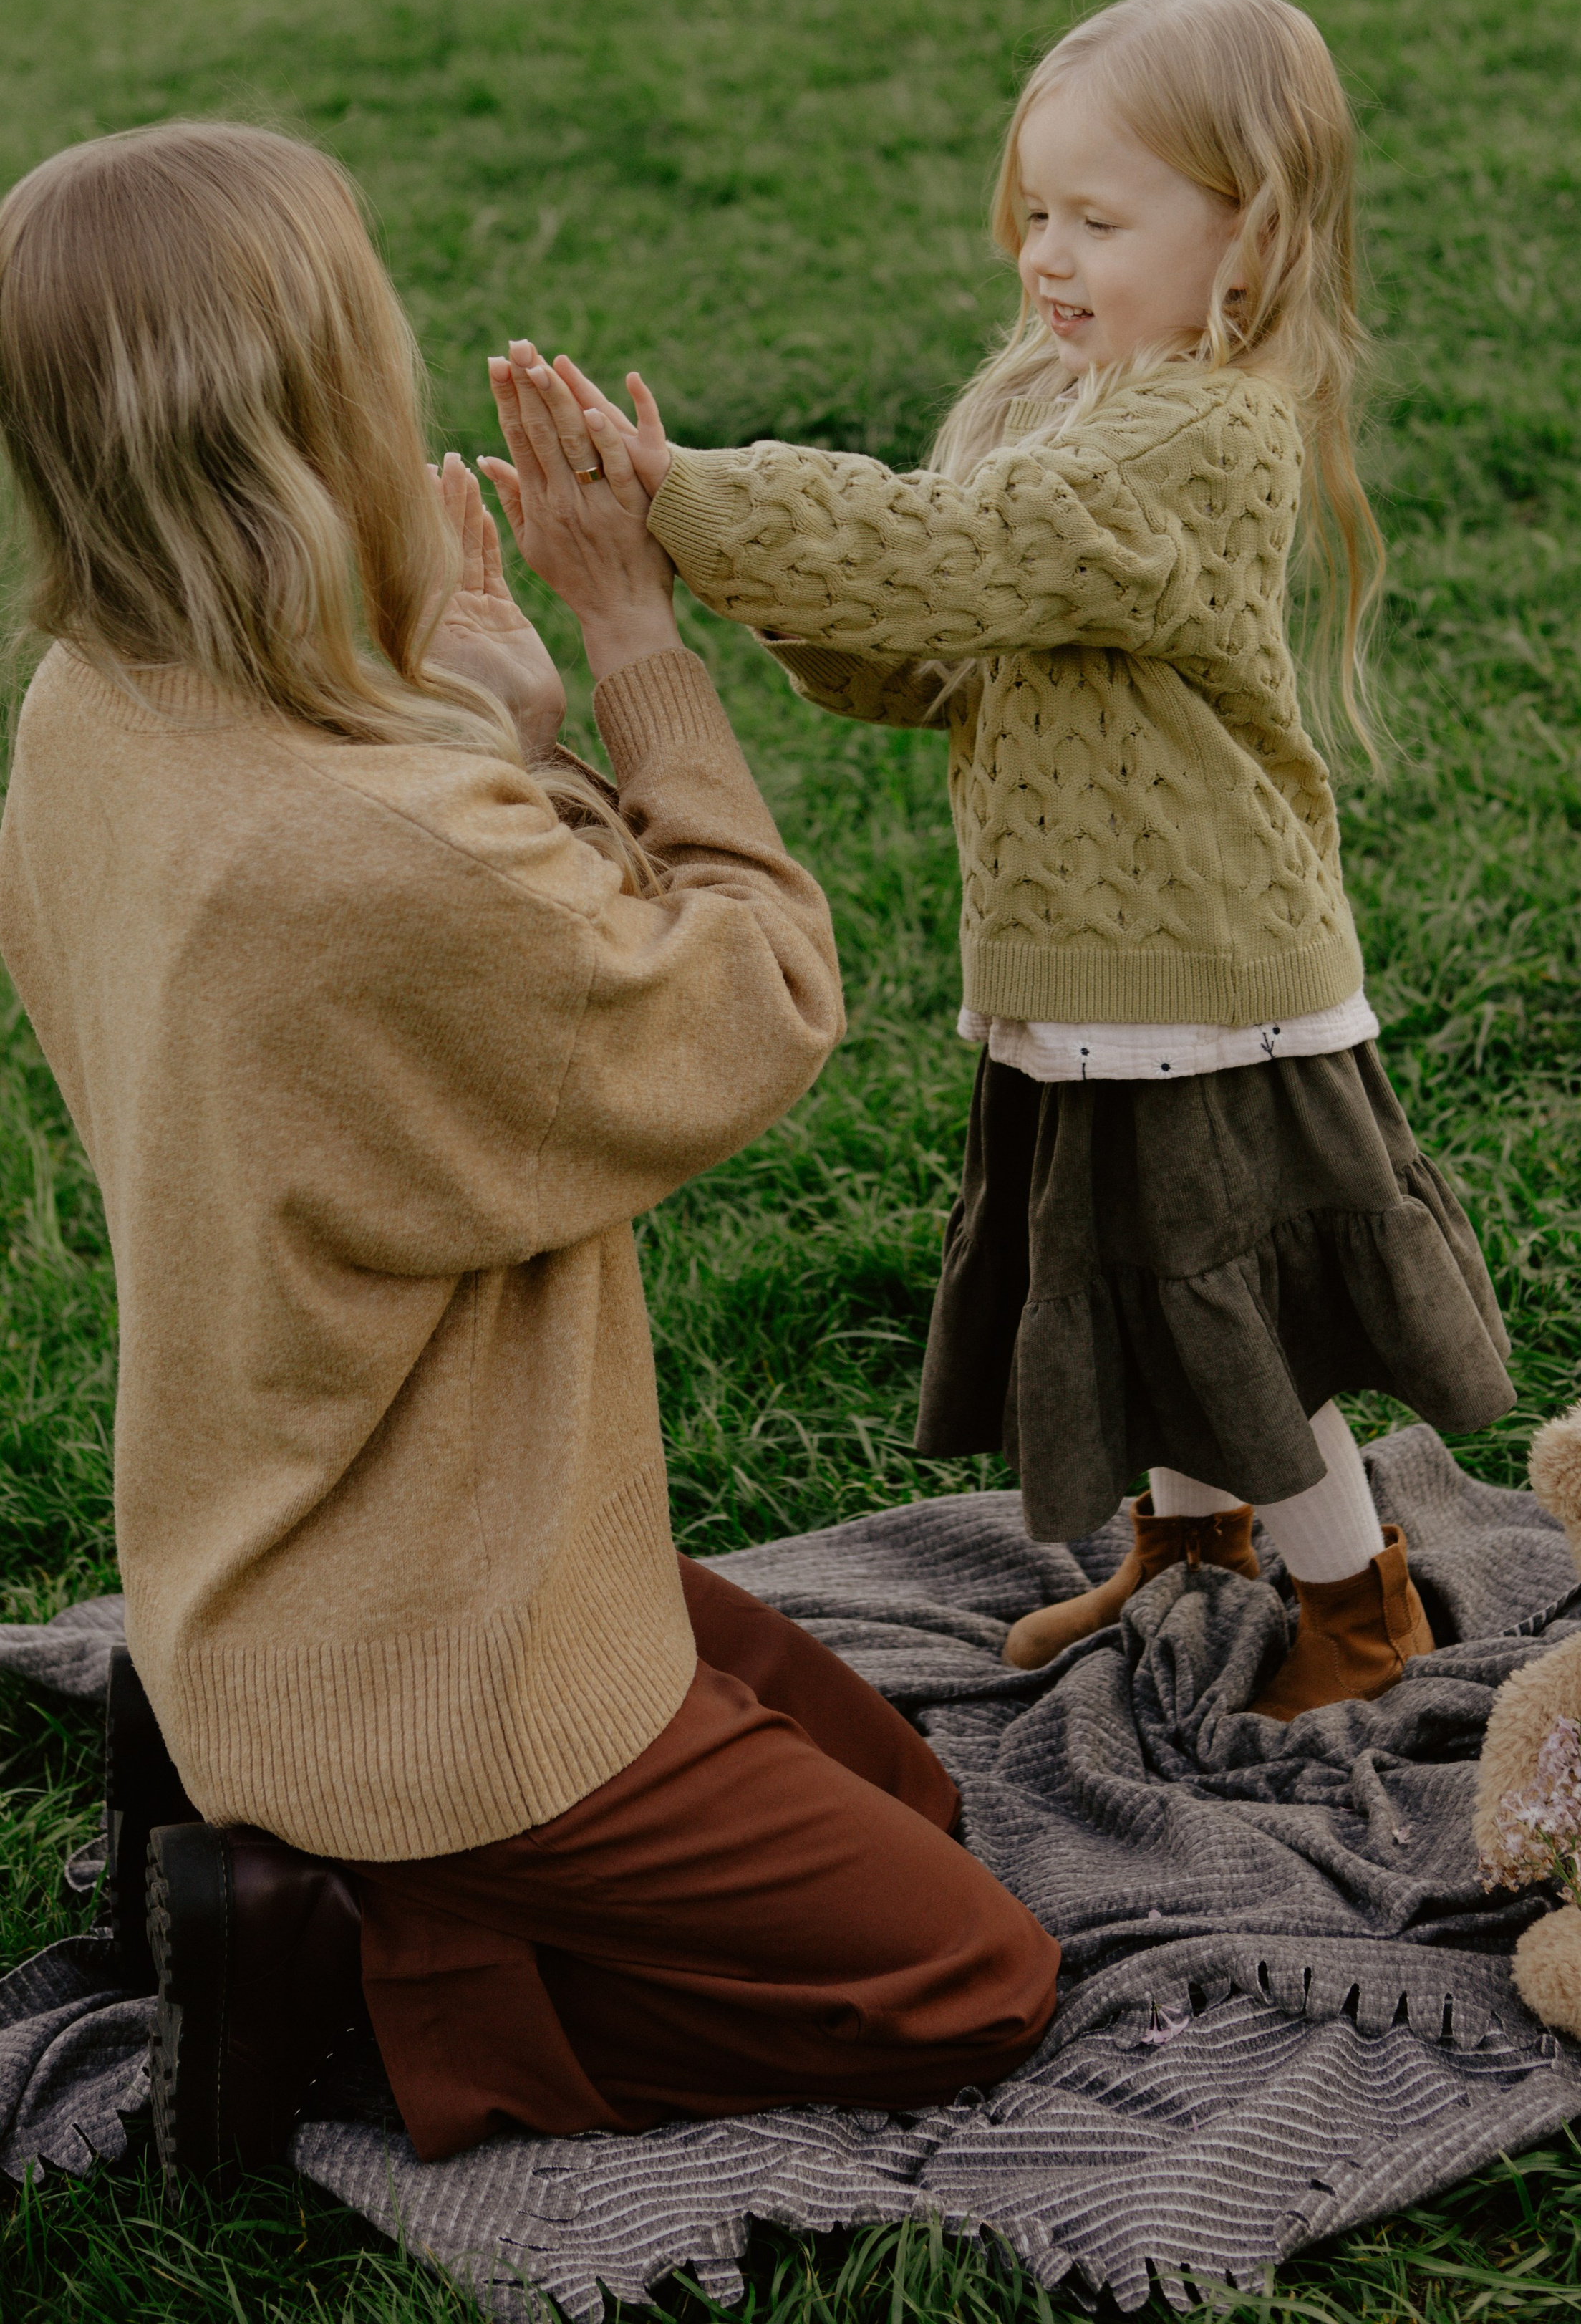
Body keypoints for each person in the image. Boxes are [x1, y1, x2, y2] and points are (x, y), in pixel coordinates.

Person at [0, 121, 1058, 2175]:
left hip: (293, 1549)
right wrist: (618, 656)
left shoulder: (90, 702)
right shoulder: (378, 852)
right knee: (969, 1979)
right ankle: (356, 1971)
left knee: (905, 1799)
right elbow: (750, 997)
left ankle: (349, 1858)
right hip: (428, 1669)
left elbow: (399, 948)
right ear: (310, 387)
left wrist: (486, 732)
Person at [488, 0, 1516, 1720]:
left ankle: (1359, 1604)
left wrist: (687, 495)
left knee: (1226, 1302)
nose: (1045, 253)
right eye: (1033, 212)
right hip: (1080, 969)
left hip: (1197, 966)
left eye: (1097, 221)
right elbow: (924, 649)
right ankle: (1196, 1552)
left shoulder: (1196, 432)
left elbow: (955, 558)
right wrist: (725, 576)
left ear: (1246, 238)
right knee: (1132, 1271)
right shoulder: (1066, 406)